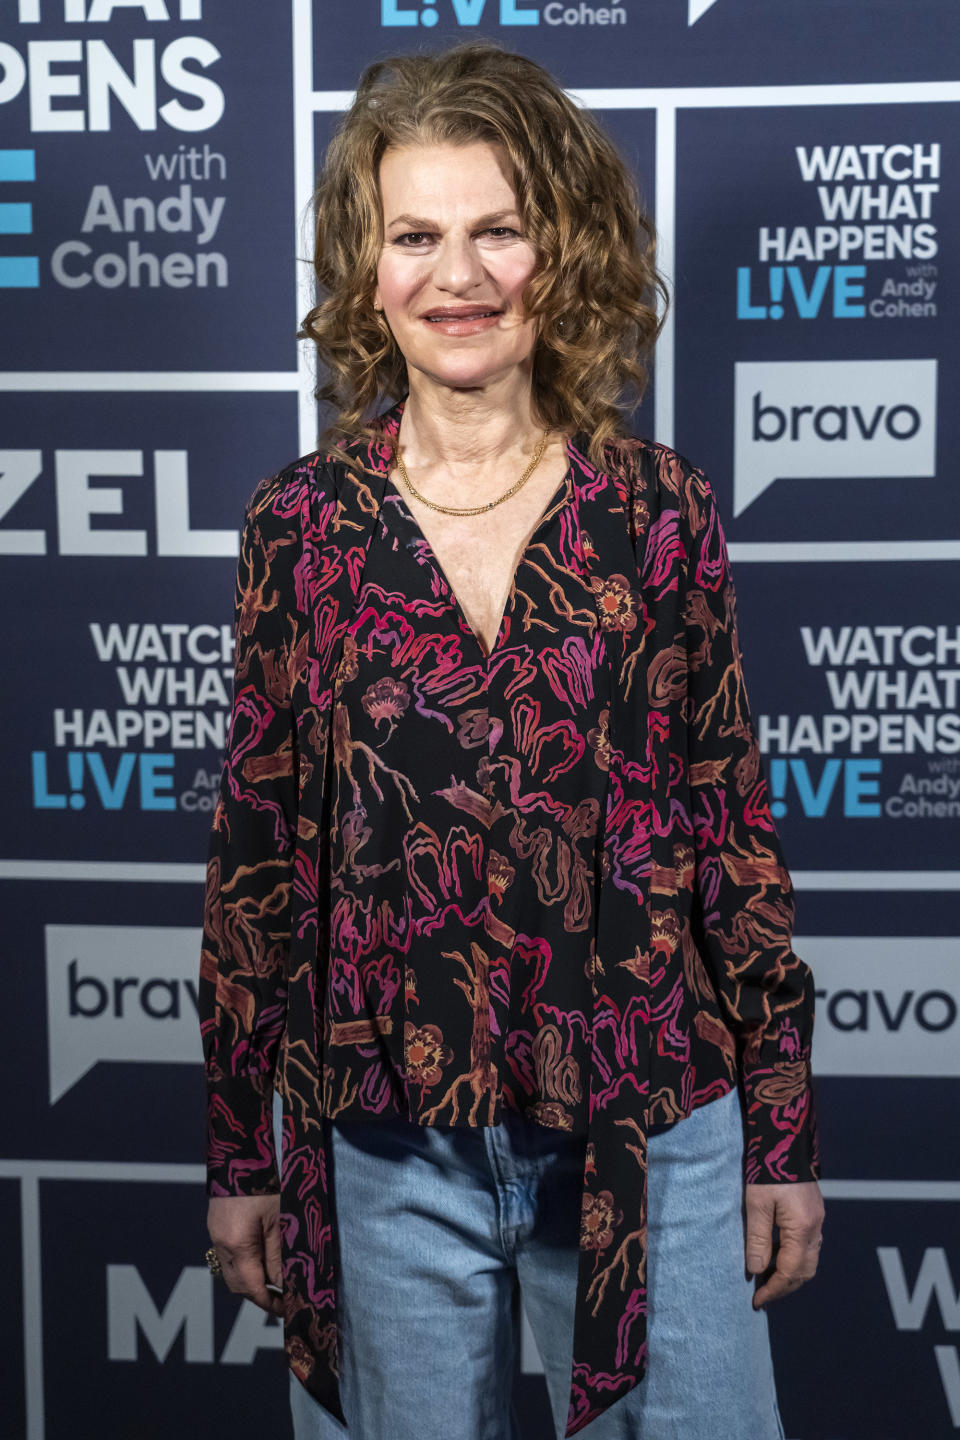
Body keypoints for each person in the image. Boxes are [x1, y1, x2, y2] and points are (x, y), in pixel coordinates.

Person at [199, 39, 824, 1440]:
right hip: (381, 1145)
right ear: (368, 269)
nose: (458, 275)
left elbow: (728, 828)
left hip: (652, 1126)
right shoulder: (299, 528)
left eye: (499, 230)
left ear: (567, 249)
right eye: (416, 235)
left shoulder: (660, 511)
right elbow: (253, 863)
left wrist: (778, 1127)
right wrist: (245, 1147)